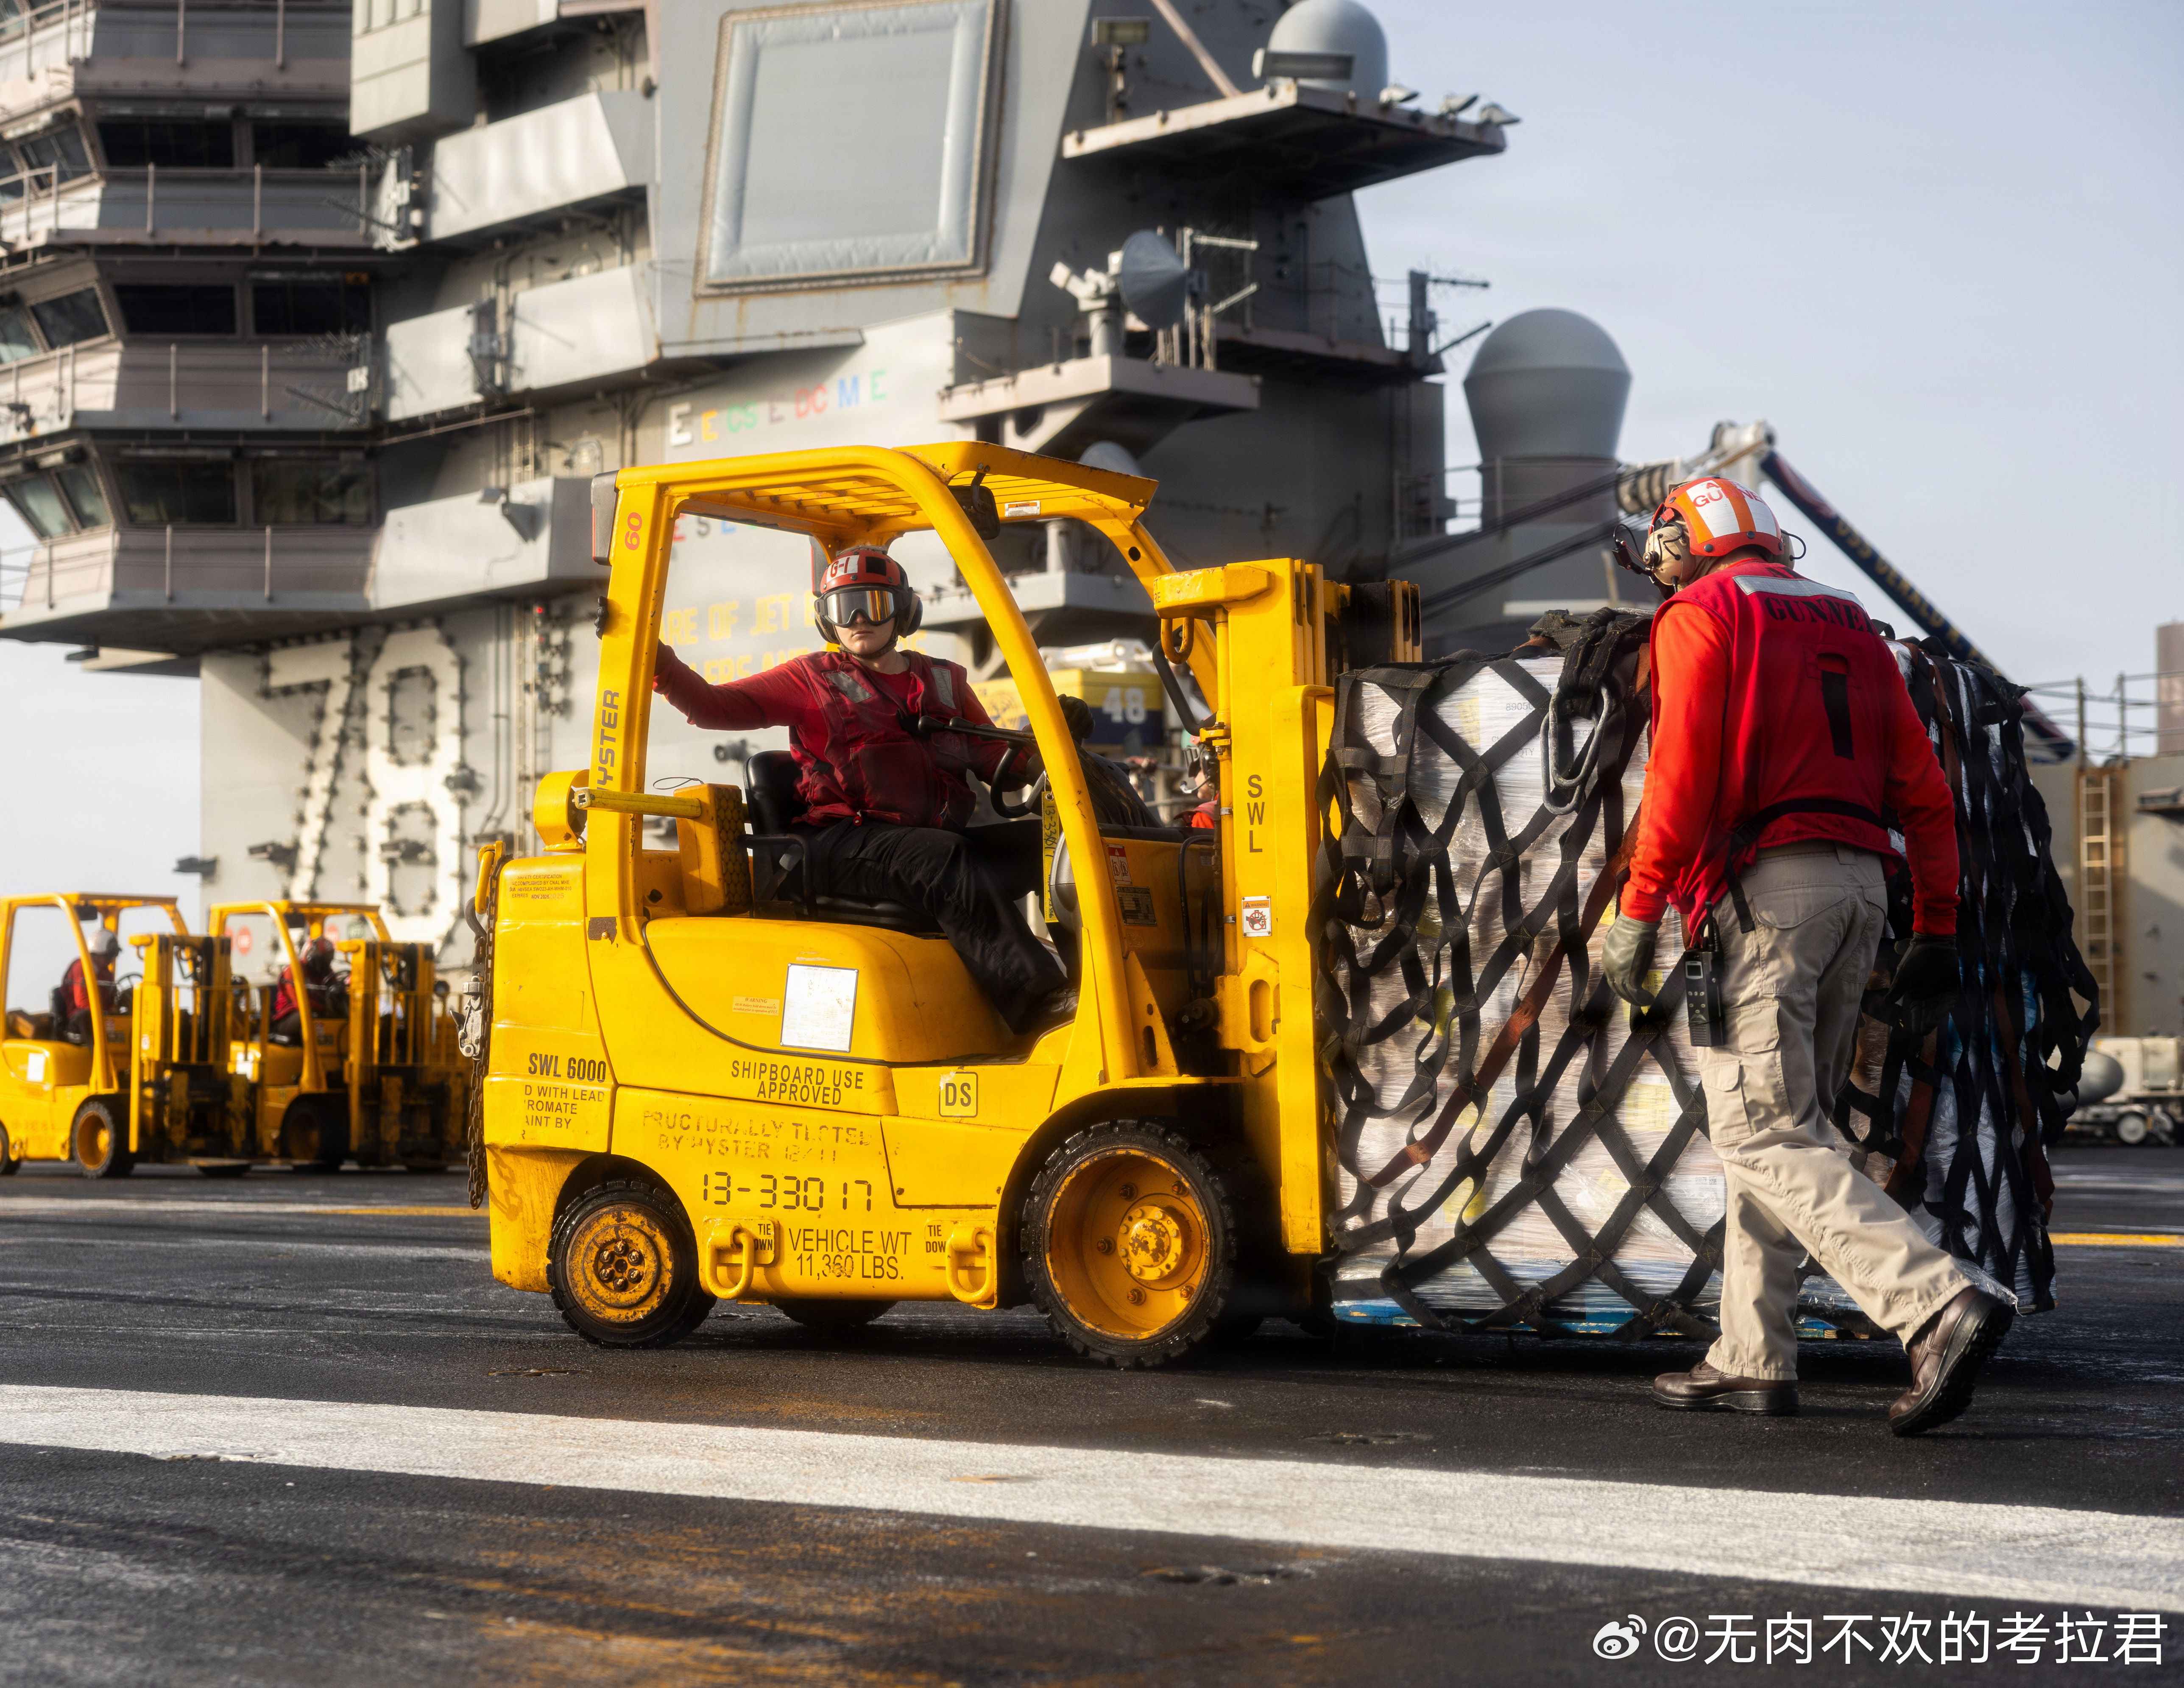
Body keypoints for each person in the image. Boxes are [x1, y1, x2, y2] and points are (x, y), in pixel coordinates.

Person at [1600, 476, 2011, 1437]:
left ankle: (1933, 1300)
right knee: (1787, 1128)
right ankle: (1751, 1355)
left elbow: (1681, 771)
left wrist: (1638, 906)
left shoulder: (1699, 612)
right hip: (1859, 890)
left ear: (1683, 540)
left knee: (1758, 1133)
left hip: (1762, 895)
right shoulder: (1848, 622)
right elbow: (1921, 790)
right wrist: (1938, 923)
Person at [651, 546, 1079, 1036]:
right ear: (825, 619)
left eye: (872, 604)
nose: (857, 619)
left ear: (903, 610)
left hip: (925, 843)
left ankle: (1094, 977)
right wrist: (653, 656)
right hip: (839, 843)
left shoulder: (945, 681)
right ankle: (1039, 1003)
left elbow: (994, 757)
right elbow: (714, 707)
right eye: (842, 607)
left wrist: (1053, 749)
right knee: (945, 859)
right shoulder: (811, 679)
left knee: (1052, 849)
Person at [271, 936, 346, 1045]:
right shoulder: (294, 971)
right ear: (313, 957)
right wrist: (325, 1007)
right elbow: (300, 1004)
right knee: (307, 1017)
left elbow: (335, 989)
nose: (327, 963)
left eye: (329, 959)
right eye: (324, 959)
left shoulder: (327, 972)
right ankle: (311, 1059)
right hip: (287, 1019)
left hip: (316, 1011)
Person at [59, 925, 119, 1044]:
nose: (113, 959)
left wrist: (117, 1007)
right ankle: (100, 1060)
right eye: (111, 954)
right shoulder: (82, 966)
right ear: (101, 951)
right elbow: (82, 1001)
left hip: (98, 1016)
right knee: (88, 1017)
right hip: (77, 1018)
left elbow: (111, 999)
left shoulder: (106, 972)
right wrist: (104, 1014)